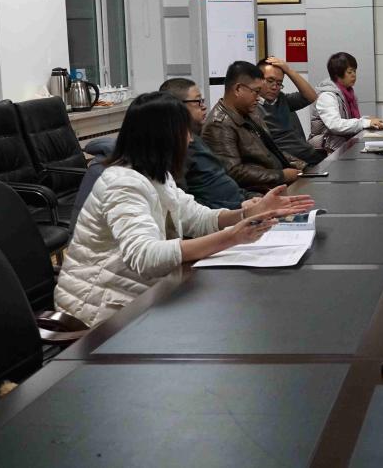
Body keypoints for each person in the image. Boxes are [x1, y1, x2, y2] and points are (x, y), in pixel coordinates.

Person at [54, 92, 314, 327]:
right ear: (163, 137)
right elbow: (145, 256)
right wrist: (231, 237)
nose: (190, 140)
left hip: (139, 297)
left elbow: (198, 218)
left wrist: (247, 214)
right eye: (185, 132)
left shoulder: (158, 175)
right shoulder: (122, 183)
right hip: (98, 311)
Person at [203, 61, 305, 192]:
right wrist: (281, 175)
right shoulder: (219, 124)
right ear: (238, 89)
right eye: (256, 92)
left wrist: (302, 166)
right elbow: (234, 172)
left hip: (275, 183)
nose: (258, 98)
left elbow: (271, 150)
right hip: (256, 193)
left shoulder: (250, 113)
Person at [159, 78, 250, 210]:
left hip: (239, 204)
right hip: (221, 214)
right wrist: (239, 207)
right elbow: (185, 206)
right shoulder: (176, 147)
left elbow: (222, 180)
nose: (204, 106)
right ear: (177, 106)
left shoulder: (195, 137)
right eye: (198, 101)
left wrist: (251, 199)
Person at [309, 52, 383, 152]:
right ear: (337, 74)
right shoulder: (327, 95)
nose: (354, 75)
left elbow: (348, 121)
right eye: (350, 72)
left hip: (338, 142)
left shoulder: (348, 93)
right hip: (325, 146)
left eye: (354, 71)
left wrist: (366, 120)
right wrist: (364, 122)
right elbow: (335, 125)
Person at [257, 57, 325, 166]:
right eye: (270, 81)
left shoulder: (282, 99)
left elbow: (311, 97)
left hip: (311, 156)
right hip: (291, 163)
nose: (274, 87)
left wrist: (289, 71)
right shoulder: (252, 107)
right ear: (257, 80)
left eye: (279, 83)